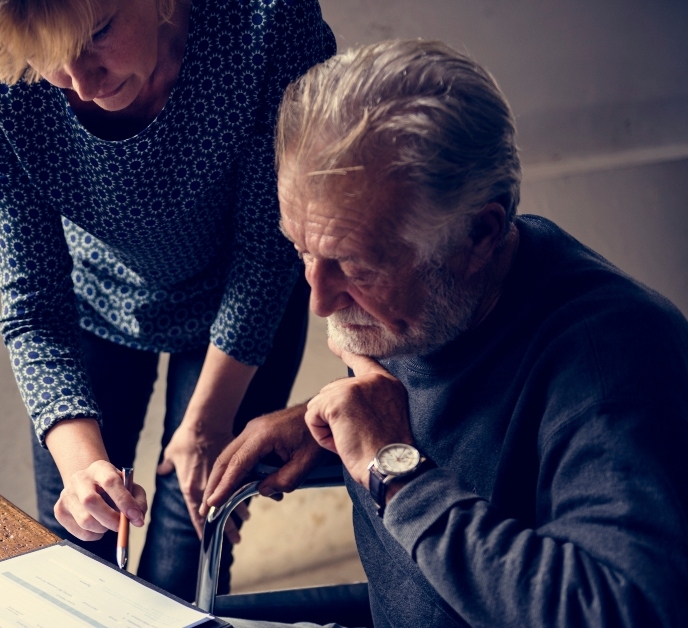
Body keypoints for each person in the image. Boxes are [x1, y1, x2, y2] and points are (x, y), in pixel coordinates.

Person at [204, 39, 688, 627]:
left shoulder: (614, 366)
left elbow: (623, 612)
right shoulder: (425, 308)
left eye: (356, 265)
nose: (319, 300)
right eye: (302, 250)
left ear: (479, 236)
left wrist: (392, 465)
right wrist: (325, 420)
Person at [0, 0, 335, 599]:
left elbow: (268, 249)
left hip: (243, 304)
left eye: (98, 34)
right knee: (80, 550)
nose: (80, 84)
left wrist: (207, 423)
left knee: (188, 552)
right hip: (95, 300)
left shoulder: (268, 20)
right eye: (48, 60)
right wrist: (81, 468)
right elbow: (32, 304)